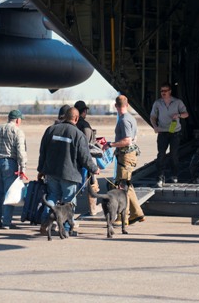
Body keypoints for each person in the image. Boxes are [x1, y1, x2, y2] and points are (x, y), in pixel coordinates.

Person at [37, 107, 100, 235]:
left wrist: (41, 169)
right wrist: (94, 169)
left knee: (52, 197)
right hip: (69, 174)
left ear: (65, 116)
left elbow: (42, 151)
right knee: (69, 202)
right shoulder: (78, 134)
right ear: (76, 118)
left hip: (52, 172)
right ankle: (66, 228)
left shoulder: (51, 130)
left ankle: (45, 222)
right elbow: (85, 157)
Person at [104, 95, 145, 225]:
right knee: (127, 184)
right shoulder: (131, 118)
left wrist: (111, 144)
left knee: (122, 187)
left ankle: (124, 218)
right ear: (127, 105)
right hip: (129, 155)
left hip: (126, 156)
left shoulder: (123, 120)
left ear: (116, 106)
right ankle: (137, 213)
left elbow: (127, 140)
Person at [0, 109, 27, 230]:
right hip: (9, 163)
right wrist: (22, 168)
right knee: (10, 193)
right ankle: (7, 222)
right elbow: (21, 152)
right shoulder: (18, 131)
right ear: (18, 120)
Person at [150, 82, 189, 187]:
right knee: (161, 154)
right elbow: (152, 116)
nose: (163, 93)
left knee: (174, 154)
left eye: (165, 91)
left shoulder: (177, 102)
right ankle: (160, 176)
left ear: (170, 91)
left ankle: (174, 175)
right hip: (162, 132)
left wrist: (179, 115)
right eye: (161, 91)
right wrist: (155, 126)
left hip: (175, 132)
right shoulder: (158, 103)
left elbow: (186, 114)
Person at [74, 100, 100, 215]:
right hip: (86, 159)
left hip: (73, 160)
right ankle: (92, 209)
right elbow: (88, 144)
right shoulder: (85, 125)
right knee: (93, 183)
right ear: (84, 111)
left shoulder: (72, 124)